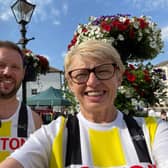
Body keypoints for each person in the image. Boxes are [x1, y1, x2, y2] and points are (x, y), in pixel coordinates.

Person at [0, 40, 168, 168]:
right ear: (71, 84)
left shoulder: (154, 130)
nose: (93, 82)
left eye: (103, 71)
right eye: (81, 74)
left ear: (119, 77)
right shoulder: (53, 135)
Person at [0, 41, 42, 162]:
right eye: (1, 65)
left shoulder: (34, 121)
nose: (7, 72)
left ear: (23, 73)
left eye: (15, 67)